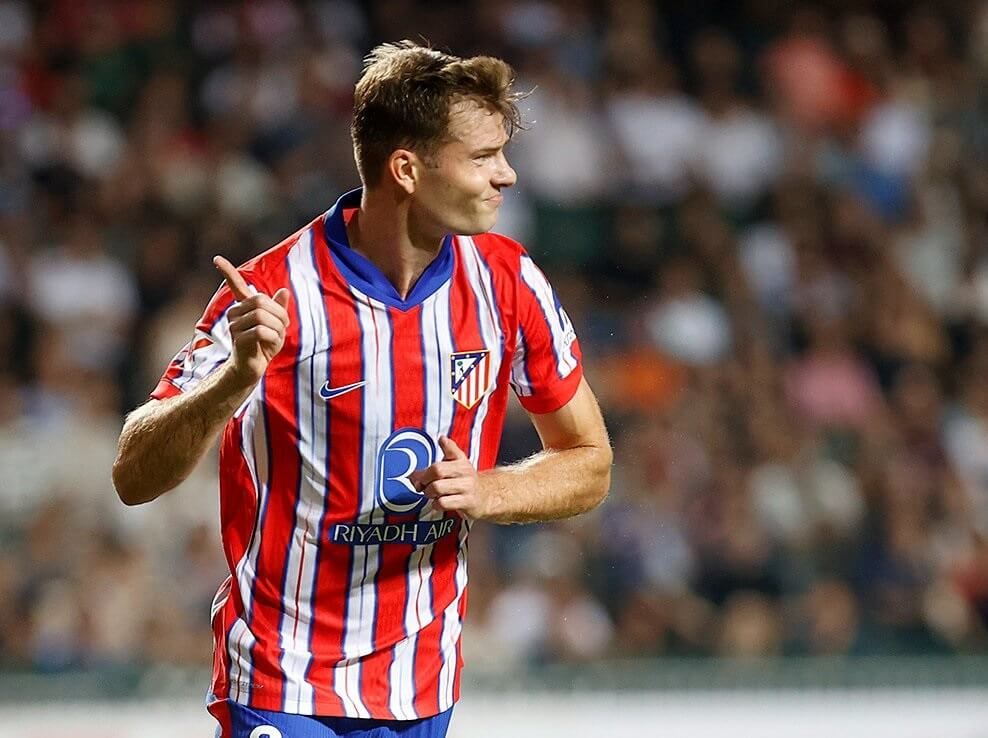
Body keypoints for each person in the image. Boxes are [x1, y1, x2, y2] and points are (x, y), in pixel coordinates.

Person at [112, 40, 611, 738]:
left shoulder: (507, 280)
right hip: (284, 678)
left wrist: (492, 491)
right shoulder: (276, 291)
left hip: (420, 683)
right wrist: (233, 382)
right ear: (406, 168)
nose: (508, 175)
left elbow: (589, 462)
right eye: (482, 156)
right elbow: (134, 474)